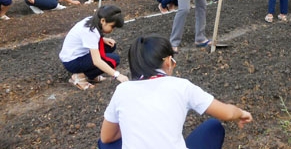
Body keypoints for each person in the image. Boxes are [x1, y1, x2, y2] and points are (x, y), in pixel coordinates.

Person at [98, 34, 253, 149]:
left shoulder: (123, 90)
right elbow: (227, 113)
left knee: (104, 145)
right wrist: (241, 113)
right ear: (167, 61)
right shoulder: (181, 86)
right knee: (213, 127)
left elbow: (106, 137)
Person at [59, 5, 129, 91]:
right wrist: (117, 75)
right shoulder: (90, 31)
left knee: (111, 46)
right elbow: (97, 61)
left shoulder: (92, 20)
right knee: (114, 60)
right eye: (112, 26)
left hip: (76, 54)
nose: (112, 30)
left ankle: (91, 76)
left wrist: (103, 39)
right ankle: (79, 76)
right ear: (103, 21)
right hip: (72, 61)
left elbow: (88, 39)